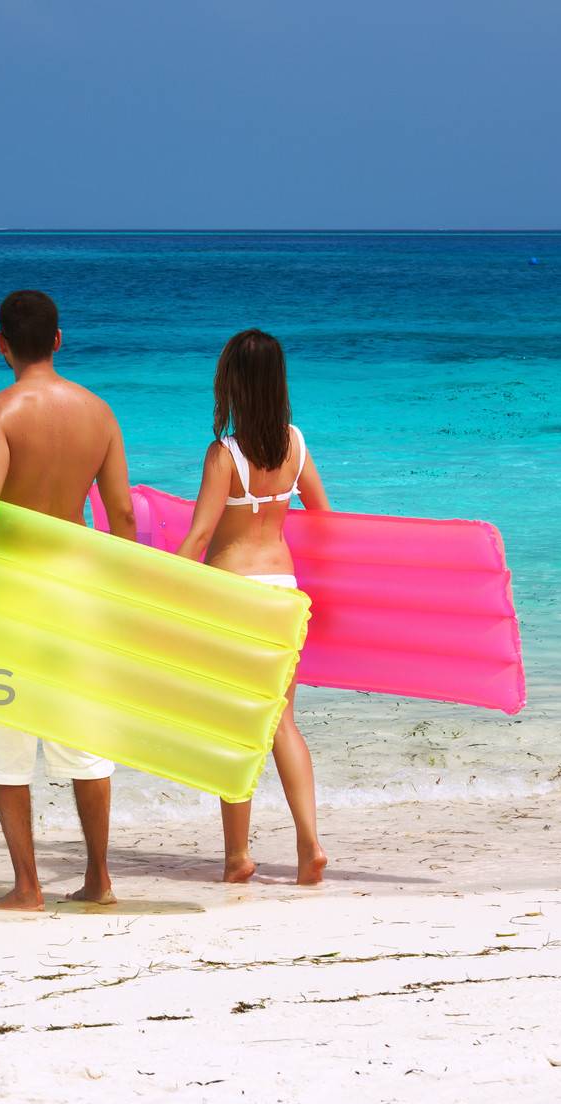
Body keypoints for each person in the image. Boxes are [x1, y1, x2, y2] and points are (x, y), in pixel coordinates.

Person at [0, 291, 137, 910]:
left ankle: (29, 886)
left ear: (2, 343)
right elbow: (120, 515)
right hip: (78, 591)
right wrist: (122, 595)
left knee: (7, 738)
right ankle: (98, 879)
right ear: (59, 340)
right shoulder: (99, 413)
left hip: (13, 593)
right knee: (84, 741)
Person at [174, 328, 331, 885]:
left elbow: (198, 538)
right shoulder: (295, 444)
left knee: (234, 727)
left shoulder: (225, 455)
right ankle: (309, 842)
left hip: (234, 596)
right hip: (285, 593)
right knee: (283, 722)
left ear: (232, 384)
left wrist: (161, 595)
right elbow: (324, 518)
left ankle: (238, 854)